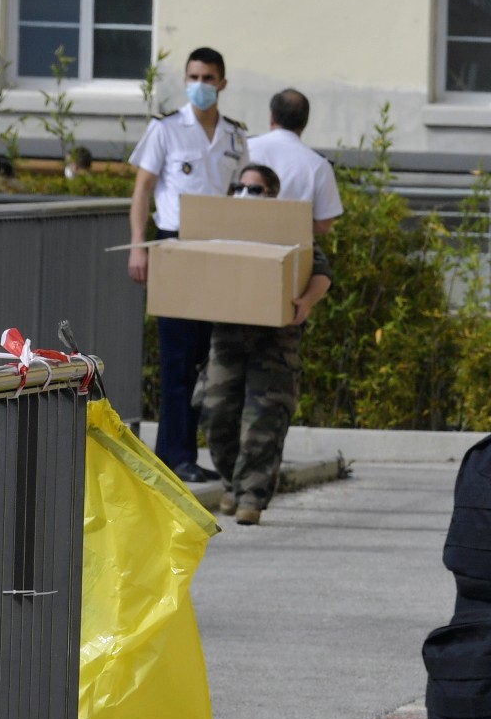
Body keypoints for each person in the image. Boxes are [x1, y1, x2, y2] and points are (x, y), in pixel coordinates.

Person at [128, 47, 249, 481]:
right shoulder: (166, 129)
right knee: (177, 357)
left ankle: (190, 455)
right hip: (175, 245)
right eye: (194, 77)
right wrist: (138, 246)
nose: (200, 85)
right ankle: (173, 456)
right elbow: (143, 189)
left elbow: (242, 193)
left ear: (222, 83)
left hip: (217, 250)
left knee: (207, 358)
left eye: (208, 78)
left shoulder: (235, 136)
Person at [200, 163, 330, 525]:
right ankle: (232, 483)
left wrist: (305, 303)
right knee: (216, 413)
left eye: (254, 189)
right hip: (227, 337)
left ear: (272, 195)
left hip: (274, 341)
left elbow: (321, 272)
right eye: (239, 187)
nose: (244, 194)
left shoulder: (287, 230)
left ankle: (251, 498)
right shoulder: (221, 230)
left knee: (262, 420)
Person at [245, 88, 345, 227]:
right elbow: (324, 225)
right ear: (305, 123)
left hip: (242, 235)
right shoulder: (319, 165)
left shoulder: (245, 148)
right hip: (292, 239)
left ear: (272, 117)